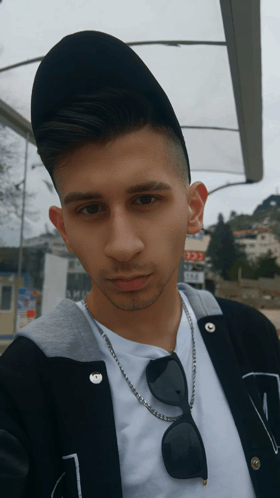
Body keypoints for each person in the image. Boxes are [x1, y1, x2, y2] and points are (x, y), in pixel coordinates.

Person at [0, 30, 279, 498]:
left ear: (193, 209)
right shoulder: (25, 382)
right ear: (63, 228)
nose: (122, 245)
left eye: (146, 199)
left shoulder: (250, 337)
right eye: (90, 209)